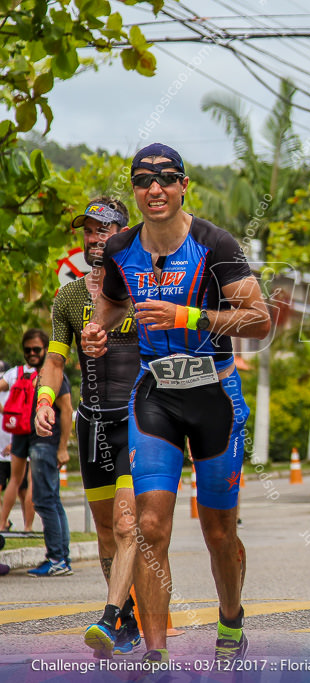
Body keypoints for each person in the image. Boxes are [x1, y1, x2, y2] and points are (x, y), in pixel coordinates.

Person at [80, 143, 270, 666]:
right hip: (155, 397)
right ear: (135, 189)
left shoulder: (215, 244)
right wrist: (97, 331)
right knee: (151, 526)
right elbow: (113, 303)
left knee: (218, 532)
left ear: (184, 184)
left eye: (165, 178)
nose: (154, 188)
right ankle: (155, 653)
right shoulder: (121, 248)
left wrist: (191, 317)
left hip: (214, 395)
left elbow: (259, 320)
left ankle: (230, 619)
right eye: (143, 180)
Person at [34, 198, 142, 656]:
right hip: (92, 423)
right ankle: (129, 620)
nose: (94, 239)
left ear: (123, 233)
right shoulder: (70, 296)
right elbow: (56, 359)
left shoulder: (143, 287)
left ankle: (110, 615)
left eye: (104, 230)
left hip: (141, 419)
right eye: (89, 232)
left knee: (126, 524)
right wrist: (44, 400)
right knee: (103, 534)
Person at [0, 330, 72, 576]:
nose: (32, 354)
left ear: (46, 350)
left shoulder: (54, 376)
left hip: (46, 442)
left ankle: (57, 559)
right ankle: (60, 557)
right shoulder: (23, 375)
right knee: (49, 499)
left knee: (45, 499)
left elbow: (67, 410)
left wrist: (63, 447)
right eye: (27, 349)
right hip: (24, 438)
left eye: (37, 349)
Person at [0, 360, 34, 534]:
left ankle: (6, 523)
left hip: (17, 435)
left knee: (18, 484)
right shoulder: (41, 373)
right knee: (27, 485)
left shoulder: (14, 374)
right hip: (29, 435)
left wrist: (6, 412)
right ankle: (23, 526)